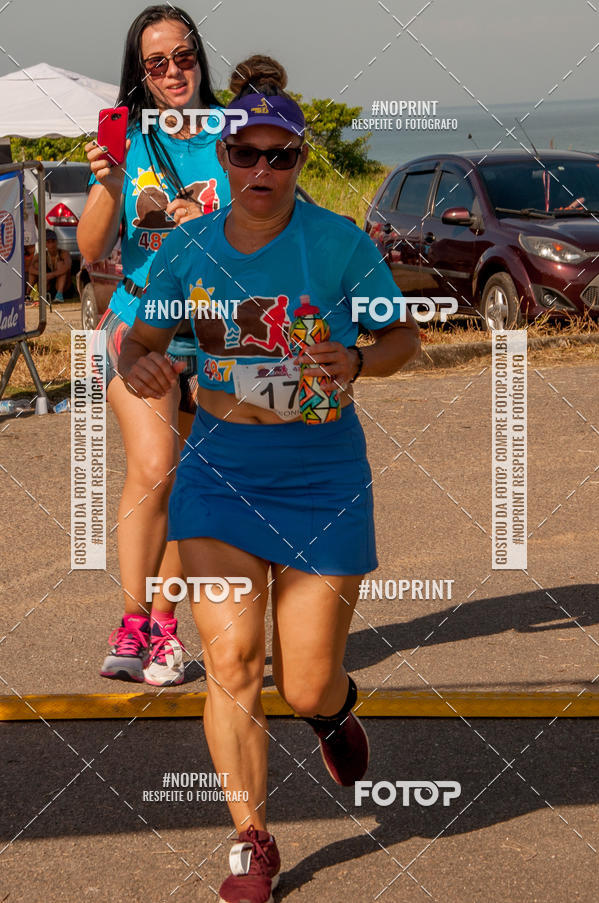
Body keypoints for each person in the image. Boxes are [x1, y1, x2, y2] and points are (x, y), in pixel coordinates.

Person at [119, 55, 420, 902]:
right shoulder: (187, 247)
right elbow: (135, 339)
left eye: (278, 156)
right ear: (225, 159)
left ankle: (331, 709)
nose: (260, 170)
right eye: (244, 154)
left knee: (305, 679)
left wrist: (358, 356)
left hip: (322, 472)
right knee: (234, 659)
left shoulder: (337, 243)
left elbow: (403, 340)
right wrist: (143, 368)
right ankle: (250, 839)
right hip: (221, 468)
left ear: (298, 158)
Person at [76, 4, 230, 686]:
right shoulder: (126, 140)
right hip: (141, 325)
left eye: (183, 56)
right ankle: (134, 621)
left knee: (195, 484)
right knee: (156, 463)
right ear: (139, 74)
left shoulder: (235, 137)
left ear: (200, 55)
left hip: (221, 336)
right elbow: (88, 250)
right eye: (157, 62)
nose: (173, 71)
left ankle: (163, 629)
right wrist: (110, 186)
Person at [29, 229, 72, 302]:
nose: (52, 245)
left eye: (53, 241)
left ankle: (59, 295)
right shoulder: (40, 255)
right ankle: (28, 294)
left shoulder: (64, 253)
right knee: (36, 265)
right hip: (48, 286)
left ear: (56, 242)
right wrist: (44, 275)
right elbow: (31, 269)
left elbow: (67, 267)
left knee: (60, 264)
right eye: (48, 242)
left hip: (63, 287)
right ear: (45, 244)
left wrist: (52, 275)